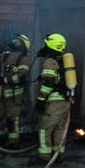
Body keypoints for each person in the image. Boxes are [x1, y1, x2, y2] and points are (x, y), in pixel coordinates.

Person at [35, 33, 75, 161]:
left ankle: (44, 156)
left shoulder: (50, 61)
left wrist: (41, 99)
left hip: (54, 101)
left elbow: (49, 83)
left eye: (46, 45)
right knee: (60, 129)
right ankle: (58, 156)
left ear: (50, 45)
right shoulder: (64, 60)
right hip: (66, 101)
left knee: (44, 129)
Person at [0, 34, 31, 145]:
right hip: (1, 94)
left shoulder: (24, 59)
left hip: (15, 95)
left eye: (17, 41)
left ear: (22, 45)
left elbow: (21, 76)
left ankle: (13, 142)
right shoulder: (5, 55)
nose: (14, 42)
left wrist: (5, 80)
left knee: (12, 119)